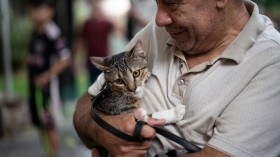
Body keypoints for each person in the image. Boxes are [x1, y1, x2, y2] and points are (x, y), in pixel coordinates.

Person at [73, 0, 280, 156]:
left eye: (171, 3)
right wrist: (102, 133)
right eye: (156, 3)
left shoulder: (270, 62)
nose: (159, 19)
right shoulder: (160, 32)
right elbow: (87, 103)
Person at [27, 0, 71, 156]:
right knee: (40, 122)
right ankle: (48, 152)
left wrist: (46, 76)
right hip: (35, 88)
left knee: (49, 123)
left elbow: (65, 58)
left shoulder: (52, 33)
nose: (36, 12)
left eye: (40, 8)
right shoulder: (35, 32)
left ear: (51, 11)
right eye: (34, 8)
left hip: (48, 88)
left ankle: (53, 153)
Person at [73, 0, 114, 85]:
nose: (96, 4)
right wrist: (75, 60)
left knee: (106, 86)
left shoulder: (107, 23)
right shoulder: (86, 24)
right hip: (91, 61)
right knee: (93, 87)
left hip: (105, 61)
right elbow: (80, 42)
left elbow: (120, 31)